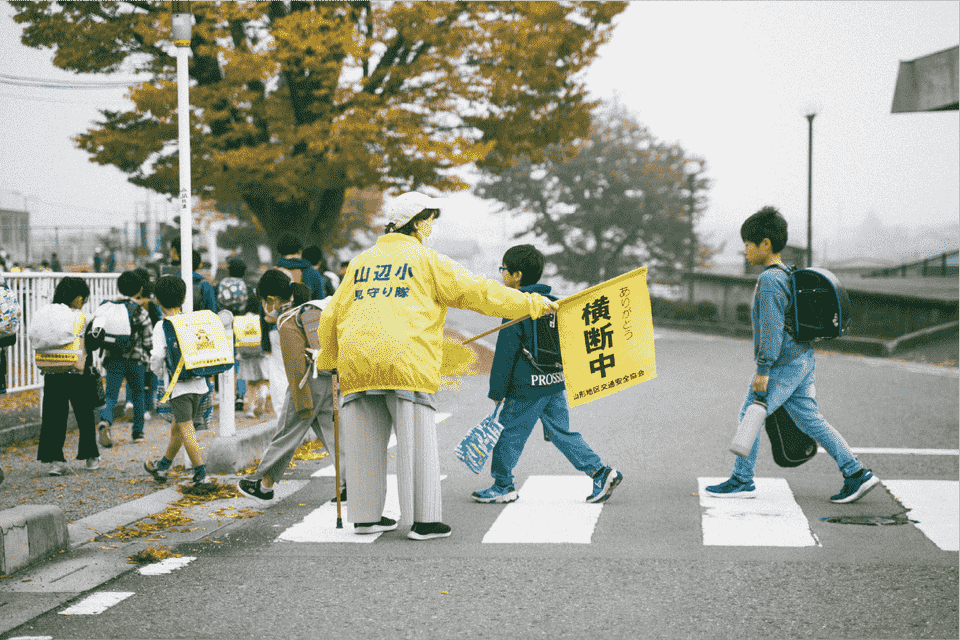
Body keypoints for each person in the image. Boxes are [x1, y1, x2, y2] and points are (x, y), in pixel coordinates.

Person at [315, 191, 559, 540]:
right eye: (429, 219)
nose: (431, 225)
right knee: (416, 442)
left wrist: (329, 359)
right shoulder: (427, 260)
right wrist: (532, 303)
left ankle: (366, 517)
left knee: (365, 442)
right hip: (406, 360)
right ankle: (424, 521)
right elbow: (478, 292)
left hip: (357, 362)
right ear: (415, 223)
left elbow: (331, 315)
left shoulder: (360, 263)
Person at [705, 206, 879, 503]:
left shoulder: (769, 281)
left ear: (765, 244)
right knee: (811, 420)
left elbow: (771, 330)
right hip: (802, 357)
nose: (745, 250)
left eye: (748, 244)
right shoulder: (787, 273)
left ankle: (742, 480)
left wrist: (763, 370)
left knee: (750, 415)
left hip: (783, 363)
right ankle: (856, 473)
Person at [472, 245, 623, 505]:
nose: (502, 274)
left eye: (504, 269)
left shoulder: (516, 306)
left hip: (526, 388)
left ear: (517, 275)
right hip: (554, 384)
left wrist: (497, 391)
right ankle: (600, 472)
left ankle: (502, 485)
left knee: (508, 435)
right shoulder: (554, 305)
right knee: (560, 432)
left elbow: (505, 354)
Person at [237, 270, 345, 501]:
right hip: (329, 378)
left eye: (264, 302)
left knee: (286, 433)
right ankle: (350, 483)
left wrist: (302, 402)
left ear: (272, 300)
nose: (265, 308)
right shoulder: (307, 311)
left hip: (307, 384)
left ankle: (261, 483)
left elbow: (295, 367)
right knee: (336, 436)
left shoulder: (287, 322)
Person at [143, 275, 214, 487]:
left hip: (179, 387)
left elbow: (157, 357)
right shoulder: (193, 321)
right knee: (178, 426)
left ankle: (201, 474)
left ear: (157, 300)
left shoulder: (161, 326)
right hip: (201, 384)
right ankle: (163, 466)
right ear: (184, 298)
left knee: (186, 429)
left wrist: (158, 374)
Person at [36, 277, 101, 475]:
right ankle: (91, 456)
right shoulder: (83, 317)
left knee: (53, 416)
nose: (84, 301)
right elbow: (93, 343)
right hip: (78, 371)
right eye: (83, 297)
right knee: (85, 415)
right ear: (78, 297)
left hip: (53, 370)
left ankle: (55, 460)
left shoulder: (46, 314)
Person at [97, 271, 153, 447]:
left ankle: (105, 421)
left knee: (110, 395)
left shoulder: (110, 308)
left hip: (114, 359)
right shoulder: (140, 311)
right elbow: (148, 340)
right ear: (140, 289)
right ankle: (138, 432)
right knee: (138, 395)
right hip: (136, 360)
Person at [275, 233, 327, 300]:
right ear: (300, 251)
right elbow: (320, 301)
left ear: (279, 253)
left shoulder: (273, 273)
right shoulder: (313, 272)